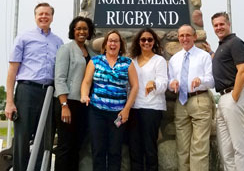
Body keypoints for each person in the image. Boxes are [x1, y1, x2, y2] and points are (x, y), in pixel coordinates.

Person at [5, 2, 63, 171]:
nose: (44, 17)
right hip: (27, 91)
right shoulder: (23, 38)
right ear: (35, 16)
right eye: (40, 14)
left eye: (47, 14)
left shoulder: (58, 42)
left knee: (45, 139)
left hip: (49, 93)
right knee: (23, 138)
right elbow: (12, 71)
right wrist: (9, 101)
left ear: (52, 17)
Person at [81, 29, 138, 171]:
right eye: (110, 41)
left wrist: (126, 110)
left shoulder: (127, 63)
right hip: (97, 113)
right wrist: (84, 95)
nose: (113, 43)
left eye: (116, 41)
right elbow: (86, 82)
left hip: (118, 115)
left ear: (120, 45)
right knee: (98, 150)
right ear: (105, 44)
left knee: (115, 151)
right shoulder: (95, 61)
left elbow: (135, 86)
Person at [168, 24, 214, 171]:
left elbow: (212, 81)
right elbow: (170, 81)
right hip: (181, 103)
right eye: (181, 36)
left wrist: (201, 80)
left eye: (188, 35)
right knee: (182, 148)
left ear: (194, 37)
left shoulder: (204, 56)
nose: (184, 38)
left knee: (199, 148)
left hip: (200, 100)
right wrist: (172, 83)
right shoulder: (174, 59)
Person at [211, 12, 244, 171]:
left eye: (221, 24)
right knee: (226, 150)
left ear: (229, 24)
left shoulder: (236, 43)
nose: (219, 27)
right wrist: (211, 53)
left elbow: (243, 71)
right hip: (223, 98)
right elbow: (222, 63)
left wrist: (234, 96)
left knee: (240, 147)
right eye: (215, 25)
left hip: (234, 96)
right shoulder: (223, 46)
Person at [54, 16, 95, 171]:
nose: (82, 32)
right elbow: (59, 78)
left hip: (83, 104)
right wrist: (64, 105)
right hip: (67, 103)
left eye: (85, 29)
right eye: (78, 29)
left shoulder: (91, 52)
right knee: (65, 146)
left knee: (77, 145)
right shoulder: (66, 49)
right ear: (73, 31)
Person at [128, 28, 168, 171]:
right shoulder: (132, 62)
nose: (146, 42)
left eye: (150, 40)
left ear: (154, 42)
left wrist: (154, 84)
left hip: (152, 109)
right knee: (134, 149)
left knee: (150, 149)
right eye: (143, 39)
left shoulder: (159, 61)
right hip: (133, 108)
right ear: (138, 42)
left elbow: (164, 84)